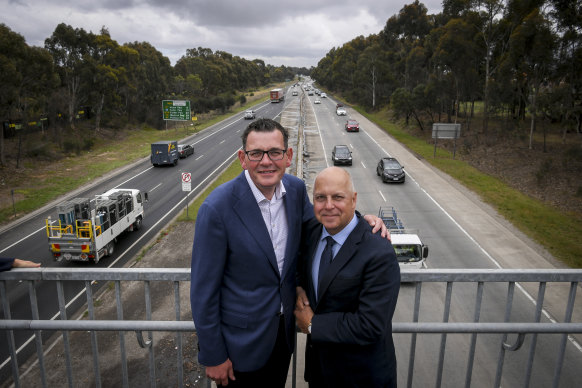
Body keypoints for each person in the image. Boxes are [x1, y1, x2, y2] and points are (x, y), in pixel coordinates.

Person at [190, 118, 388, 387]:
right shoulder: (217, 209)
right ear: (242, 158)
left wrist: (360, 221)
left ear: (288, 155)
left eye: (274, 152)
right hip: (240, 351)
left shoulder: (294, 190)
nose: (266, 161)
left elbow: (319, 226)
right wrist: (213, 355)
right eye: (256, 153)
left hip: (282, 340)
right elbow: (203, 291)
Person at [294, 167, 400, 388]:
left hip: (361, 378)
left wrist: (313, 325)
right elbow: (292, 265)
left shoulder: (379, 252)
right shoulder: (312, 232)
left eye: (338, 197)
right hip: (320, 373)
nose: (329, 205)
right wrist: (297, 288)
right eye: (320, 198)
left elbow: (371, 324)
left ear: (354, 200)